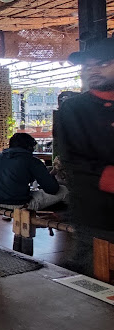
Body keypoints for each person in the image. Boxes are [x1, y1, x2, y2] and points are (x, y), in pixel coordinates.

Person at [55, 38, 114, 231]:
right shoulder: (74, 108)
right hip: (95, 215)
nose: (93, 70)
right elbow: (74, 161)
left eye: (103, 63)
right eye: (87, 66)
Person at [0, 133, 68, 210]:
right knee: (63, 190)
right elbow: (52, 189)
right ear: (29, 147)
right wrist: (55, 171)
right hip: (18, 205)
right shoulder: (32, 161)